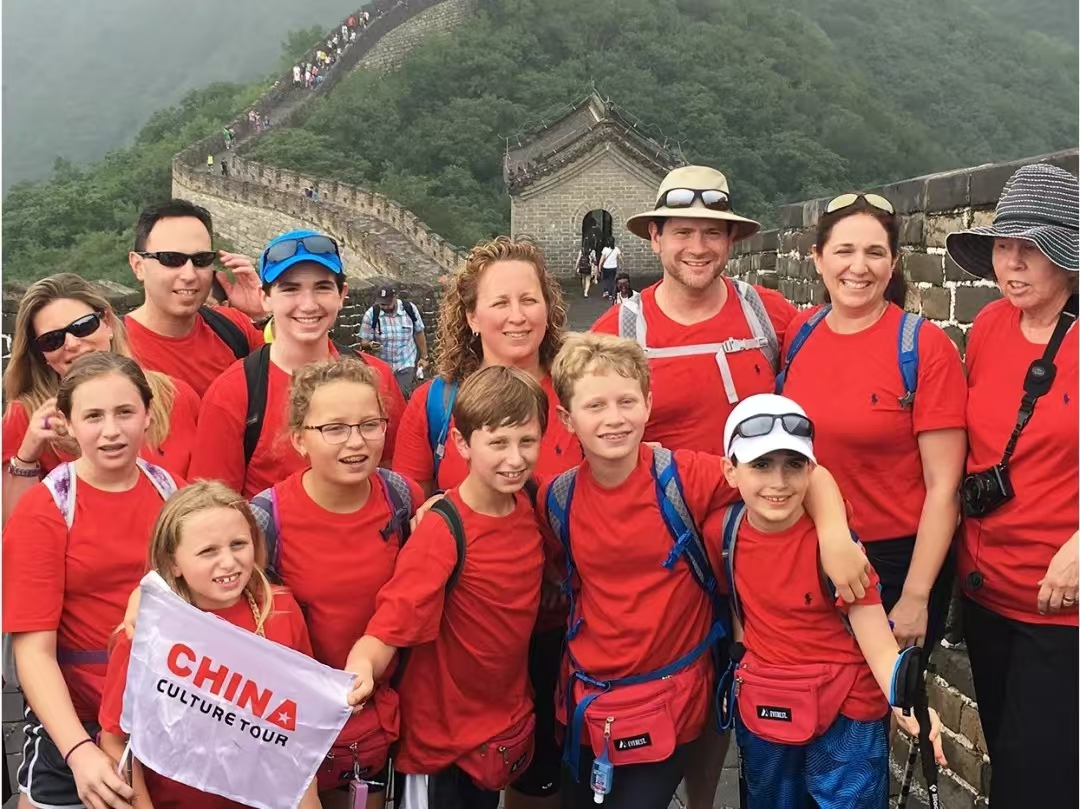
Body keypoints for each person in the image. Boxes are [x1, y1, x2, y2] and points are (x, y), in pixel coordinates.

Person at [593, 165, 871, 809]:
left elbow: (831, 379)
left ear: (731, 241)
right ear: (656, 239)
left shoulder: (764, 313)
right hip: (668, 552)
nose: (699, 247)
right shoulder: (620, 330)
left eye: (713, 233)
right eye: (683, 232)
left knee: (738, 686)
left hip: (766, 543)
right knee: (679, 684)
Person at [537, 332, 863, 809]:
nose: (614, 418)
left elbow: (794, 472)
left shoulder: (682, 476)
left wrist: (834, 532)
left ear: (648, 404)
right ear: (566, 418)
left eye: (627, 401)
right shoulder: (558, 497)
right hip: (589, 695)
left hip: (670, 693)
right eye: (595, 406)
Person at [391, 237, 581, 809]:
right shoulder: (436, 402)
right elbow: (407, 507)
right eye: (499, 303)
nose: (517, 315)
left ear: (549, 308)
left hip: (563, 623)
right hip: (463, 642)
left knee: (536, 771)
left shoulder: (580, 395)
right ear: (471, 316)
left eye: (531, 299)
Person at [718, 393, 945, 808]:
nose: (779, 482)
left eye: (794, 464)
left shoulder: (836, 552)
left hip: (846, 712)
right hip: (768, 703)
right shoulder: (726, 532)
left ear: (811, 469)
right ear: (730, 471)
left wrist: (906, 701)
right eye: (761, 464)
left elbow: (877, 641)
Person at [346, 366, 547, 809]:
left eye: (526, 441)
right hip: (440, 746)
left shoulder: (532, 501)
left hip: (500, 726)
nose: (514, 458)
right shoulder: (443, 530)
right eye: (497, 442)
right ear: (461, 443)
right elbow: (393, 618)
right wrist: (362, 663)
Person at [776, 192, 967, 656]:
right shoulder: (800, 335)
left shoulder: (923, 348)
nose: (858, 267)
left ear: (894, 263)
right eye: (844, 251)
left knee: (890, 708)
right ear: (818, 259)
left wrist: (917, 595)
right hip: (806, 547)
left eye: (874, 252)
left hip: (893, 561)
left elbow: (945, 486)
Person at [945, 162, 1079, 807]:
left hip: (1061, 602)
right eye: (1004, 247)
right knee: (1004, 749)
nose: (1013, 264)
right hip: (985, 586)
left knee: (1039, 779)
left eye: (1032, 250)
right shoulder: (992, 327)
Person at [3, 353, 183, 809]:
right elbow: (33, 649)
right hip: (78, 715)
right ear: (67, 423)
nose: (111, 431)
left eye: (125, 412)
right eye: (94, 416)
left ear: (147, 413)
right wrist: (78, 751)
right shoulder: (47, 509)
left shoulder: (174, 494)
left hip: (166, 709)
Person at [249, 358, 422, 808]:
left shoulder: (400, 498)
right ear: (300, 439)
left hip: (380, 718)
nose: (356, 442)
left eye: (370, 424)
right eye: (335, 429)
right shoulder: (264, 520)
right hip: (292, 726)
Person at [98, 481, 321, 809]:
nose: (229, 562)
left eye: (238, 544)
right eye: (208, 551)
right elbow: (117, 741)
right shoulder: (145, 635)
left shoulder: (283, 612)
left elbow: (300, 733)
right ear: (173, 563)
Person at [189, 229, 405, 499]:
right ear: (265, 297)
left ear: (342, 294)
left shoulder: (376, 377)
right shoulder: (234, 393)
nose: (308, 304)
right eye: (290, 289)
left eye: (322, 287)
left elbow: (393, 472)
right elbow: (212, 506)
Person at [2, 273, 199, 522]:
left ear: (107, 321)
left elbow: (203, 493)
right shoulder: (28, 417)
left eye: (83, 326)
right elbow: (16, 529)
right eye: (53, 340)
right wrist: (27, 456)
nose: (72, 344)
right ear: (41, 354)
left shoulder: (174, 397)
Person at [124, 199, 266, 398]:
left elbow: (304, 383)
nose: (189, 275)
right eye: (171, 259)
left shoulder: (232, 326)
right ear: (138, 266)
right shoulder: (117, 349)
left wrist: (263, 313)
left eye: (201, 260)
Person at [357, 286, 430, 399]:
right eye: (382, 304)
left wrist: (424, 357)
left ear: (395, 298)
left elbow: (419, 332)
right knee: (385, 398)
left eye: (387, 303)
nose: (385, 307)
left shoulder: (409, 309)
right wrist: (370, 345)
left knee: (402, 394)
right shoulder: (372, 314)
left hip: (405, 361)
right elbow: (363, 342)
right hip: (383, 365)